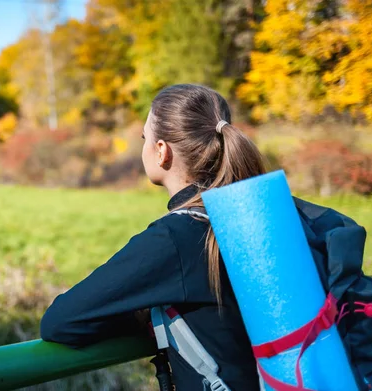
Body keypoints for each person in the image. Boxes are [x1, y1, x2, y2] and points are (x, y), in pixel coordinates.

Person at [40, 84, 265, 390]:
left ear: (162, 151)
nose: (143, 146)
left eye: (145, 138)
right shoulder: (260, 216)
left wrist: (143, 313)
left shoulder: (177, 238)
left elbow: (60, 322)